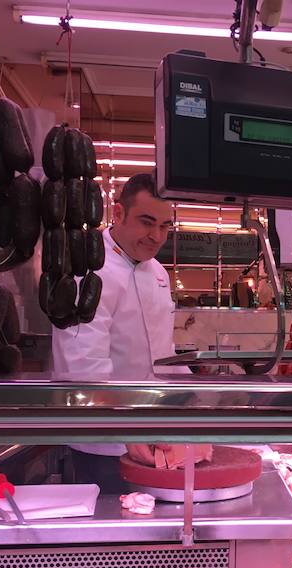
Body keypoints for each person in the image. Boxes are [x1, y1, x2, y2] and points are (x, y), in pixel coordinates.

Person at [52, 173, 188, 492]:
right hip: (103, 443)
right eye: (146, 222)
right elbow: (84, 366)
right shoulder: (87, 268)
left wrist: (197, 402)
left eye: (165, 226)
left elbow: (163, 354)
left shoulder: (157, 272)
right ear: (118, 213)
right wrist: (125, 429)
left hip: (152, 434)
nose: (156, 236)